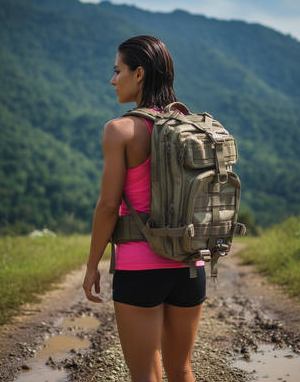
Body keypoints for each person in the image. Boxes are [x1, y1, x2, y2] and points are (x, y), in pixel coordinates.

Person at [83, 35, 206, 382]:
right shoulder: (191, 127)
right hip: (189, 264)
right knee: (182, 370)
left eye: (117, 70)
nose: (112, 79)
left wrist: (93, 265)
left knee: (144, 376)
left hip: (140, 269)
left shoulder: (119, 130)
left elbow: (108, 207)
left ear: (139, 74)